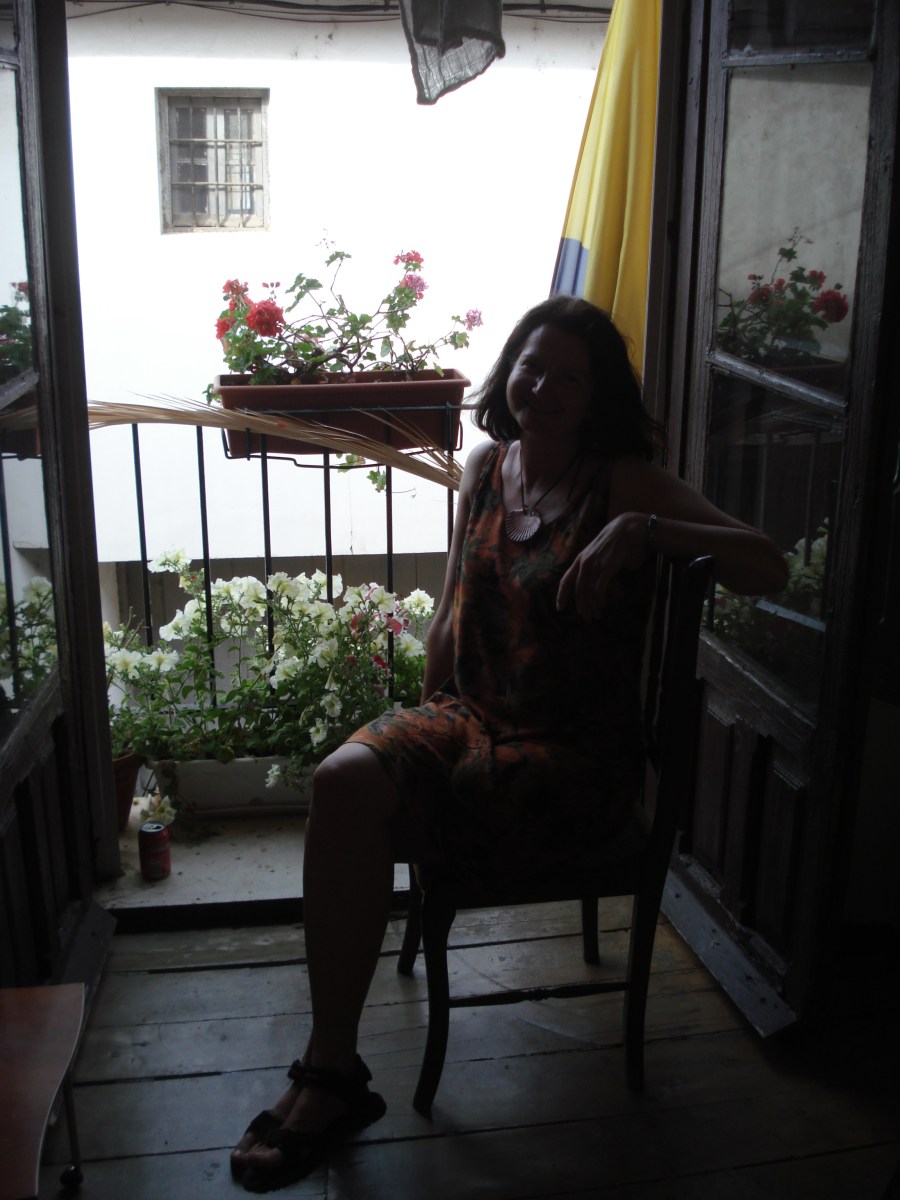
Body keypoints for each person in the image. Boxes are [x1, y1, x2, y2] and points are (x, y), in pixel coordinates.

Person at [231, 297, 788, 1192]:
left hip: (573, 758)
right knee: (344, 782)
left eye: (571, 376)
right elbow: (453, 611)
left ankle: (329, 1081)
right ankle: (332, 1063)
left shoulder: (625, 484)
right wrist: (414, 726)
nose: (545, 388)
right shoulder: (487, 466)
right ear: (509, 372)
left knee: (388, 817)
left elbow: (767, 563)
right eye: (533, 367)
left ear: (597, 397)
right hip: (472, 719)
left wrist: (643, 532)